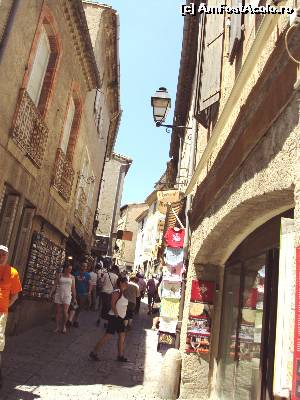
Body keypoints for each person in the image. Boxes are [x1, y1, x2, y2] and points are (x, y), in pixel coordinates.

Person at [89, 276, 129, 362]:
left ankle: (120, 355)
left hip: (120, 318)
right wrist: (117, 314)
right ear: (121, 283)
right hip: (115, 318)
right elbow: (112, 304)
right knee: (108, 336)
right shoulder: (117, 292)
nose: (127, 284)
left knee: (122, 336)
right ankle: (94, 352)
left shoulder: (122, 292)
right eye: (126, 282)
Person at [0, 245, 22, 387]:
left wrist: (6, 305)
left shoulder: (12, 272)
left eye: (3, 254)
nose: (1, 256)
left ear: (7, 256)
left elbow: (15, 294)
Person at [51, 263, 76, 333]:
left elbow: (73, 288)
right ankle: (57, 327)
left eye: (71, 269)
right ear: (65, 269)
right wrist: (51, 293)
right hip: (59, 294)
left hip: (67, 295)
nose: (70, 270)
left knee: (65, 312)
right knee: (58, 312)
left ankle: (64, 326)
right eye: (69, 269)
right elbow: (55, 285)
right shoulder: (59, 275)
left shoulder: (72, 277)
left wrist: (74, 298)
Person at [72, 263, 92, 327]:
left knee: (80, 308)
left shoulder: (88, 275)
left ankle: (76, 320)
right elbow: (73, 283)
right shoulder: (76, 274)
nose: (84, 267)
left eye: (85, 266)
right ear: (81, 266)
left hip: (83, 294)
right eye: (83, 266)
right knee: (74, 307)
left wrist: (89, 292)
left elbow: (90, 284)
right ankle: (70, 320)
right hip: (75, 293)